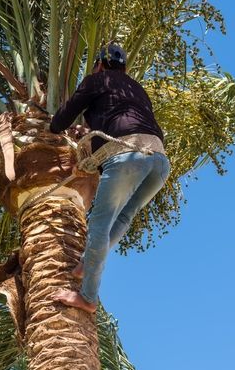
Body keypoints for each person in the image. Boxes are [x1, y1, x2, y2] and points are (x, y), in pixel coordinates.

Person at [48, 43, 171, 313]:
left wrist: (52, 128)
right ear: (123, 68)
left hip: (128, 155)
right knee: (124, 217)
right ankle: (84, 265)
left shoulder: (97, 79)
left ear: (100, 65)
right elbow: (120, 118)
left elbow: (61, 120)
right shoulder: (134, 88)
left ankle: (88, 298)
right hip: (159, 162)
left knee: (99, 225)